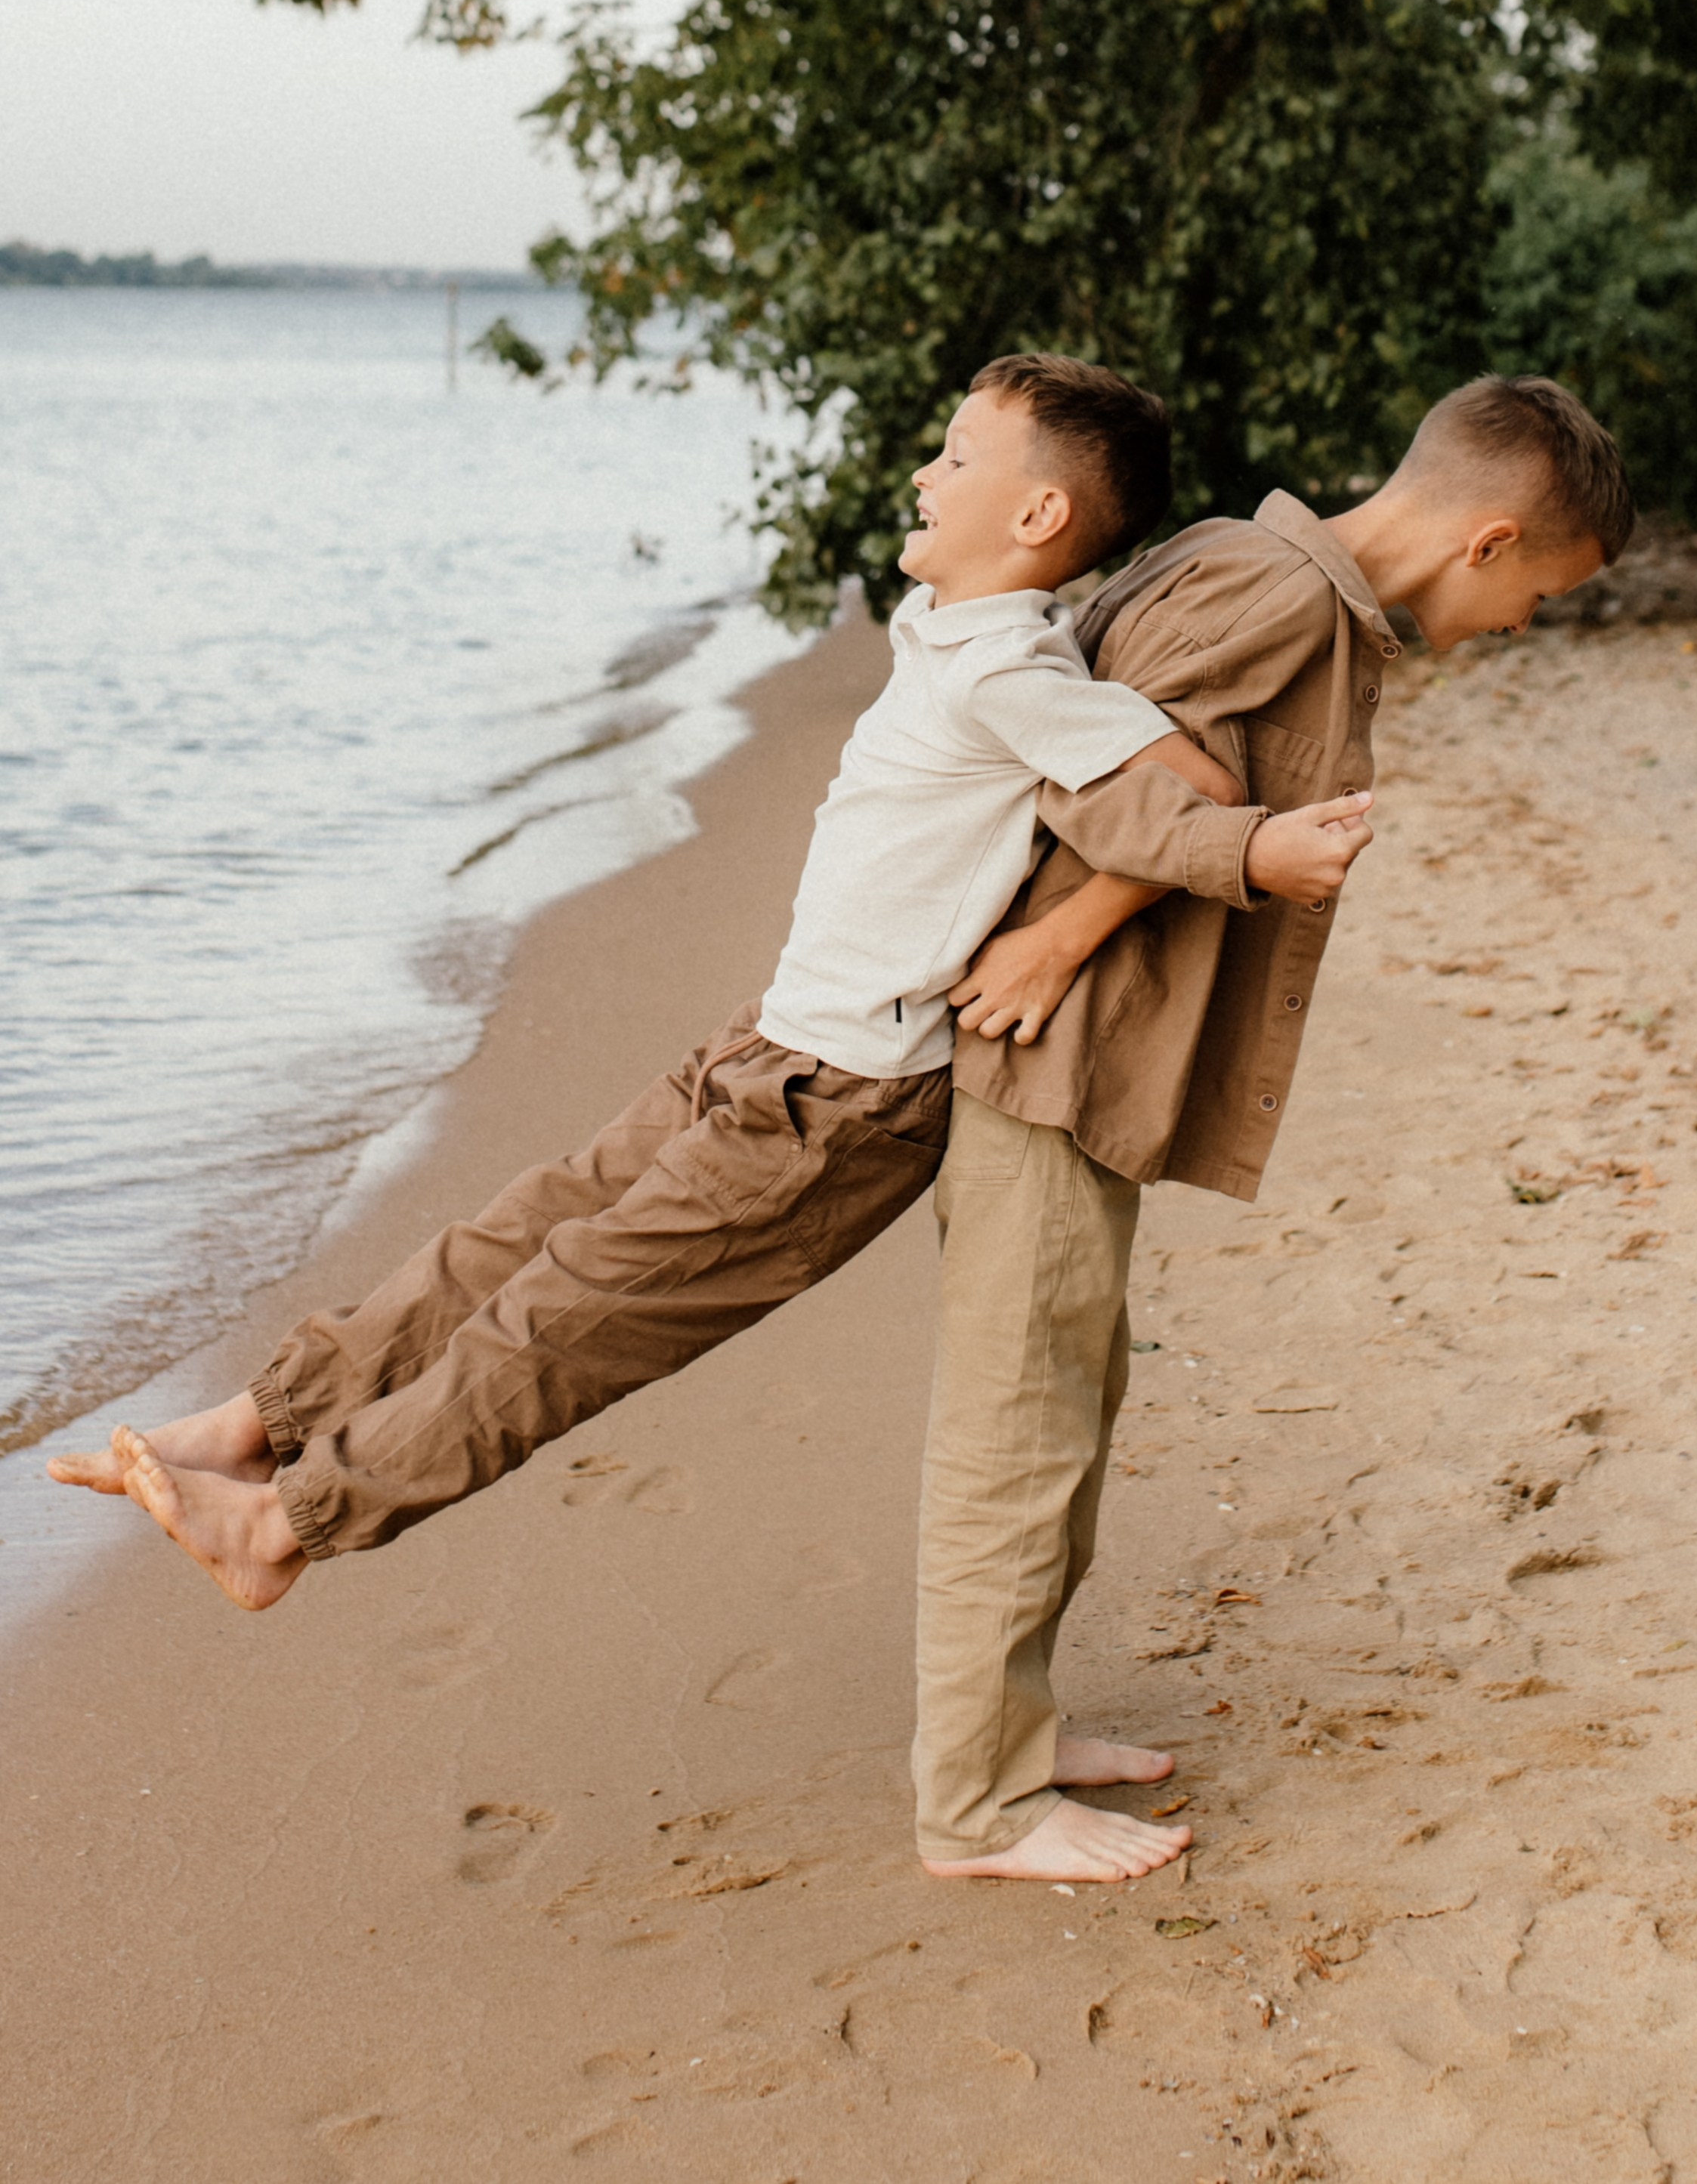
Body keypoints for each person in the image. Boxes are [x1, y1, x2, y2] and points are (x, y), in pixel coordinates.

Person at [51, 347, 1359, 1829]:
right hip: (766, 1048)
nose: (925, 475)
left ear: (1041, 514)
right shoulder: (957, 623)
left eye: (954, 456)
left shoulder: (1016, 669)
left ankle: (287, 1521)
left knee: (562, 1316)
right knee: (506, 1237)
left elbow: (1172, 788)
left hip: (839, 1108)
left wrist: (1258, 853)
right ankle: (252, 1423)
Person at [907, 372, 1634, 1882]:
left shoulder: (1267, 571)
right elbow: (1072, 770)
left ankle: (1012, 1727)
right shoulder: (1277, 594)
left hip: (1084, 1068)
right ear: (1486, 539)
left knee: (1069, 1403)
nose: (1521, 629)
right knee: (1016, 1431)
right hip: (1044, 1057)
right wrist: (1057, 940)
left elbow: (1147, 747)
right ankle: (972, 1804)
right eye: (1541, 596)